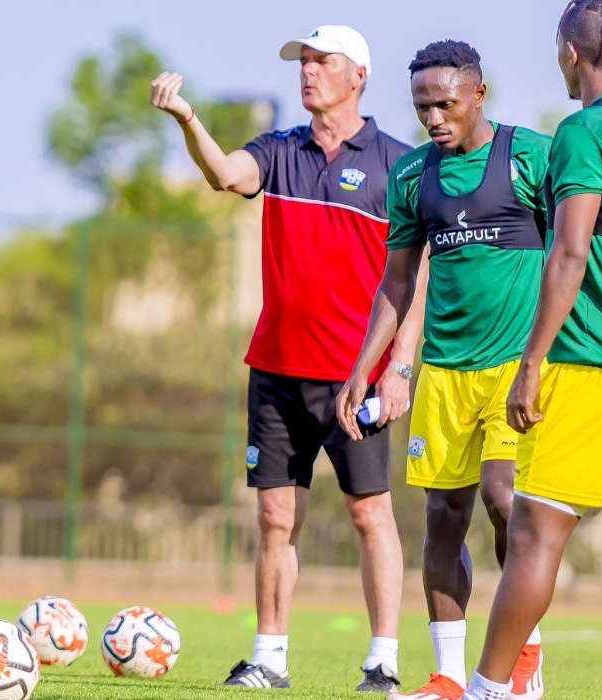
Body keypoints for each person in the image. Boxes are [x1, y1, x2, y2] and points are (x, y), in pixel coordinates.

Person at [151, 25, 418, 693]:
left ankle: (383, 662)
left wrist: (397, 369)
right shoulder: (278, 150)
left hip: (356, 378)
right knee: (275, 518)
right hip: (275, 369)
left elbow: (418, 278)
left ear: (358, 76)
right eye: (303, 62)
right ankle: (269, 658)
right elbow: (223, 174)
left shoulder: (400, 164)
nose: (308, 71)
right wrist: (186, 117)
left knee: (369, 514)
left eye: (322, 61)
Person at [462, 2, 602, 700]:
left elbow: (569, 253)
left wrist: (530, 363)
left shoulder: (583, 130)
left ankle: (486, 692)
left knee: (534, 535)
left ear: (570, 52)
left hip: (596, 362)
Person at [336, 40, 550, 700]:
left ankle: (525, 656)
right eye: (422, 106)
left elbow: (572, 249)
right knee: (443, 516)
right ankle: (450, 678)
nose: (433, 118)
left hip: (514, 369)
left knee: (504, 500)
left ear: (479, 94)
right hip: (443, 375)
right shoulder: (412, 176)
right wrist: (365, 367)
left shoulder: (530, 157)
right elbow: (398, 282)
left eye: (445, 104)